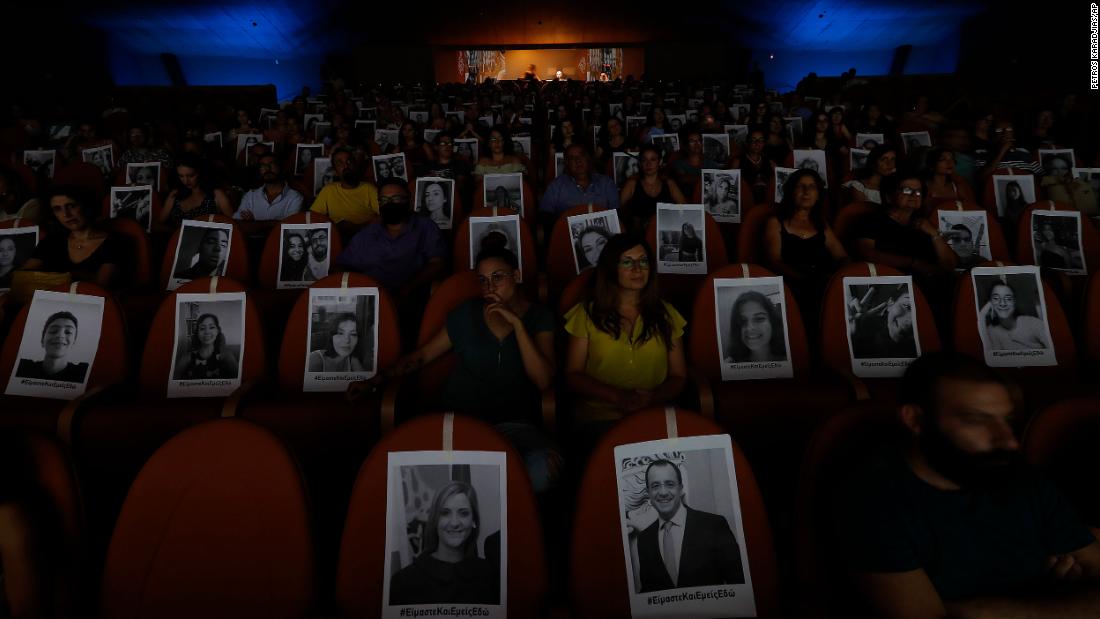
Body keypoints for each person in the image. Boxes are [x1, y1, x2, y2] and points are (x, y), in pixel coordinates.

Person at [834, 352, 1100, 618]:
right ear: (915, 419)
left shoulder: (1019, 478)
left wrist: (987, 612)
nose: (1008, 441)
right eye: (977, 420)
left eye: (1007, 421)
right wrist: (1067, 604)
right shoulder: (875, 502)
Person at [350, 247, 559, 491]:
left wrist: (517, 325)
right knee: (402, 473)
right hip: (458, 420)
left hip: (512, 426)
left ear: (517, 275)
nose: (490, 287)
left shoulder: (539, 317)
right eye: (483, 281)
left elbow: (543, 380)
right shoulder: (467, 312)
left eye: (498, 277)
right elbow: (422, 356)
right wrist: (375, 380)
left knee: (544, 468)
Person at [564, 234, 687, 440]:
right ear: (612, 269)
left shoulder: (666, 314)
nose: (637, 269)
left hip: (653, 415)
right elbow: (573, 374)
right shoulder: (586, 314)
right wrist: (618, 397)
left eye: (643, 261)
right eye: (628, 262)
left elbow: (679, 376)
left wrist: (653, 398)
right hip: (600, 418)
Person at [635, 459, 745, 593]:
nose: (663, 492)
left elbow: (739, 584)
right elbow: (648, 593)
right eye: (655, 486)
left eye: (670, 484)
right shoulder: (644, 540)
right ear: (649, 494)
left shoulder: (714, 525)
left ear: (681, 489)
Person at [388, 481, 498, 605]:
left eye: (463, 513)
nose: (454, 523)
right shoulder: (403, 582)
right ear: (435, 520)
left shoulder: (488, 574)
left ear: (474, 521)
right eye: (445, 513)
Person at [763, 169, 848, 322]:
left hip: (822, 285)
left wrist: (834, 279)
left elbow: (842, 256)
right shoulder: (775, 222)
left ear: (818, 195)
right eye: (800, 186)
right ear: (790, 191)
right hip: (790, 287)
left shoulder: (822, 224)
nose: (806, 191)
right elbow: (774, 261)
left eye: (812, 187)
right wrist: (807, 279)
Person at [854, 174, 958, 276]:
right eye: (906, 190)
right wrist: (914, 263)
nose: (913, 195)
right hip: (891, 281)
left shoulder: (924, 225)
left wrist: (935, 234)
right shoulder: (871, 220)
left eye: (918, 192)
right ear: (889, 196)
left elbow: (950, 265)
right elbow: (866, 254)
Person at [21, 186, 125, 288]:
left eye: (71, 206)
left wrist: (57, 278)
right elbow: (24, 276)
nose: (66, 214)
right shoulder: (52, 240)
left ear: (85, 205)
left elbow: (100, 286)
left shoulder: (115, 242)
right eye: (58, 209)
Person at [311, 148, 381, 235]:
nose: (346, 166)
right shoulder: (328, 190)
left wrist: (359, 227)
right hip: (337, 236)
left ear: (355, 165)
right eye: (340, 163)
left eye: (349, 161)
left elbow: (385, 215)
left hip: (364, 235)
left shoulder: (369, 189)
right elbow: (313, 217)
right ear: (335, 171)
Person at [619, 145, 686, 235]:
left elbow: (685, 208)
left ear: (659, 162)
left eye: (653, 159)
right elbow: (619, 211)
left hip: (664, 232)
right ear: (640, 163)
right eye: (644, 160)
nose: (648, 164)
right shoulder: (632, 184)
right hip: (638, 235)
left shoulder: (669, 184)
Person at [158, 155, 234, 232]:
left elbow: (234, 224)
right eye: (181, 176)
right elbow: (157, 224)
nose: (186, 181)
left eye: (191, 176)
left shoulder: (216, 194)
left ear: (200, 172)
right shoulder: (175, 194)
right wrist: (177, 232)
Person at [540, 143, 620, 216]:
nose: (578, 160)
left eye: (581, 155)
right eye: (572, 158)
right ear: (567, 163)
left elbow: (617, 215)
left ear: (588, 159)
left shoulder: (606, 183)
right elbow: (546, 215)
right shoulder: (556, 186)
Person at [15, 311, 89, 382]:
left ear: (74, 343)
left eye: (68, 332)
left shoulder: (84, 371)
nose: (60, 335)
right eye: (53, 331)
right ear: (42, 340)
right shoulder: (22, 367)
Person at [847, 284, 917, 359]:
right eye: (908, 307)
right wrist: (849, 339)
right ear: (890, 303)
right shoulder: (863, 330)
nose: (911, 323)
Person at [235, 154, 304, 224]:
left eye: (272, 164)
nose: (267, 169)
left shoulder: (295, 197)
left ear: (280, 167)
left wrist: (254, 222)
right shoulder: (250, 195)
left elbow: (288, 226)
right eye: (263, 166)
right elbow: (238, 221)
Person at [981, 279, 1049, 350]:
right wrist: (982, 316)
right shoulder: (991, 331)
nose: (1003, 303)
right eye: (996, 298)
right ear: (990, 303)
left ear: (1014, 302)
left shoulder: (1032, 323)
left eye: (1008, 299)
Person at [726, 290, 787, 363]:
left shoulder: (791, 360)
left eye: (759, 319)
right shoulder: (729, 365)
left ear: (772, 322)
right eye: (742, 321)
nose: (750, 328)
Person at [173, 313, 239, 380]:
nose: (207, 332)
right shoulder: (187, 358)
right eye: (202, 328)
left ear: (217, 331)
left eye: (212, 327)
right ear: (197, 333)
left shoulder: (226, 356)